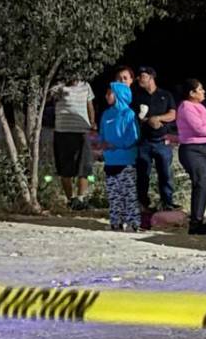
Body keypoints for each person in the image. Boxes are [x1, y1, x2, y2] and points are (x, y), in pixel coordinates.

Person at [132, 66, 178, 212]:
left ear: (151, 77)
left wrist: (158, 118)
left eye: (143, 75)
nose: (139, 78)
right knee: (142, 174)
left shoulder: (165, 95)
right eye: (139, 76)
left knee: (165, 173)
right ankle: (142, 203)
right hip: (143, 141)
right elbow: (132, 116)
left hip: (162, 140)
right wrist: (146, 120)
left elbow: (172, 114)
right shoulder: (137, 96)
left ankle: (167, 202)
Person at [98, 82, 140, 232]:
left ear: (119, 95)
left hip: (126, 160)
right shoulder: (106, 114)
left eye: (110, 93)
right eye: (107, 93)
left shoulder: (129, 114)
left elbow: (133, 137)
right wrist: (101, 145)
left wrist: (115, 144)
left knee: (128, 193)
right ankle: (115, 221)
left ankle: (133, 223)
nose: (107, 96)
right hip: (110, 160)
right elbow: (101, 134)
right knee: (113, 193)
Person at [50, 78, 96, 210]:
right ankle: (70, 200)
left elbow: (89, 105)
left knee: (85, 165)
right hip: (62, 130)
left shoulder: (86, 85)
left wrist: (92, 121)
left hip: (82, 130)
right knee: (65, 168)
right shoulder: (59, 86)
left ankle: (80, 199)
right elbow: (47, 100)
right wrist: (54, 90)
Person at [176, 79, 206, 235]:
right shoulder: (186, 106)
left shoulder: (201, 107)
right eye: (200, 89)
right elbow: (199, 129)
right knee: (201, 183)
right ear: (191, 93)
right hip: (193, 149)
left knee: (204, 184)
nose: (203, 92)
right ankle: (196, 223)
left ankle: (200, 218)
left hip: (205, 148)